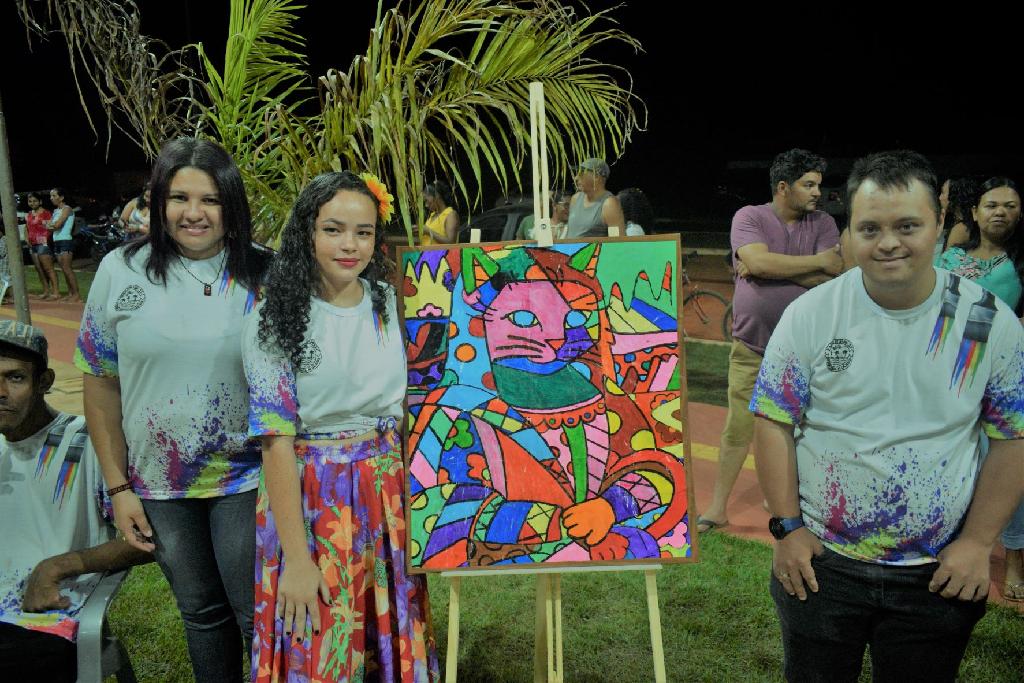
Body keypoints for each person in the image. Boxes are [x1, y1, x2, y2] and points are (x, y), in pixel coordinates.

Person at [751, 150, 1024, 681]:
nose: (888, 243)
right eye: (869, 228)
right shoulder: (811, 314)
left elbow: (1012, 438)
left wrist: (976, 544)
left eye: (907, 226)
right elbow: (773, 421)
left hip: (937, 574)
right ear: (849, 232)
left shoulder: (990, 323)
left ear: (940, 223)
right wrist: (787, 530)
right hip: (823, 566)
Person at [75, 137, 272, 683]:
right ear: (158, 202)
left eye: (210, 199)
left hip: (248, 476)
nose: (193, 213)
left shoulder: (265, 273)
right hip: (159, 484)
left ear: (231, 204)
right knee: (201, 613)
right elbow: (101, 384)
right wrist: (119, 487)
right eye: (179, 198)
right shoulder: (121, 270)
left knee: (256, 614)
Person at [243, 171, 439, 681]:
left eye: (363, 232)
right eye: (333, 230)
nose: (350, 245)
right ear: (307, 232)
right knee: (319, 639)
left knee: (388, 630)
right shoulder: (275, 315)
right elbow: (275, 443)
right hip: (313, 497)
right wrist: (296, 560)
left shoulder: (388, 302)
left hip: (386, 491)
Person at [697, 148, 842, 533]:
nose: (817, 192)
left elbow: (832, 277)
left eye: (818, 185)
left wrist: (767, 267)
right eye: (808, 185)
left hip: (804, 353)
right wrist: (809, 264)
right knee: (737, 429)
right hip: (752, 348)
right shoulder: (750, 217)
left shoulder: (824, 222)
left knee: (800, 431)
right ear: (783, 187)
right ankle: (717, 508)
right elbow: (775, 265)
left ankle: (783, 500)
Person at [0, 320, 151, 682]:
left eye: (15, 378)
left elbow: (148, 537)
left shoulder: (87, 442)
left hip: (42, 620)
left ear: (44, 382)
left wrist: (57, 567)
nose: (0, 392)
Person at [938, 177, 1023, 312]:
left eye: (1010, 206)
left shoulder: (1019, 263)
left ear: (1020, 215)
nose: (1000, 212)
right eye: (991, 206)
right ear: (975, 213)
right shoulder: (952, 256)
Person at [565, 157, 626, 237]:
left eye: (581, 174)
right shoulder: (575, 199)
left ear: (596, 176)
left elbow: (617, 240)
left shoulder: (609, 204)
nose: (576, 178)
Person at [47, 188, 82, 303]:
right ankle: (70, 293)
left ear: (61, 197)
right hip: (57, 241)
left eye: (54, 196)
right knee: (63, 269)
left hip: (65, 241)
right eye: (51, 196)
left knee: (67, 268)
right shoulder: (56, 211)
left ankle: (76, 295)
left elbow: (57, 225)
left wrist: (51, 225)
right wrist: (51, 225)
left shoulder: (67, 209)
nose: (51, 198)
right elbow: (49, 227)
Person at [24, 192, 59, 300]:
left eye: (35, 201)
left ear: (40, 202)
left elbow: (49, 229)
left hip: (43, 244)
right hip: (32, 245)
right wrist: (27, 239)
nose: (32, 203)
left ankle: (56, 292)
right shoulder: (29, 214)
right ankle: (46, 291)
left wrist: (43, 240)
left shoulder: (46, 213)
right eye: (30, 201)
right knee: (39, 269)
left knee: (48, 268)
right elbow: (26, 228)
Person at [939, 177, 978, 256]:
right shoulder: (969, 223)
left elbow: (946, 262)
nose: (940, 198)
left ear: (954, 197)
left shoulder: (960, 229)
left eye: (943, 192)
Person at [420, 179, 460, 245]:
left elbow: (451, 242)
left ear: (436, 196)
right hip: (426, 251)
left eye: (426, 200)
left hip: (441, 252)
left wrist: (428, 231)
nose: (426, 205)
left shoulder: (450, 215)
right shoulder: (432, 216)